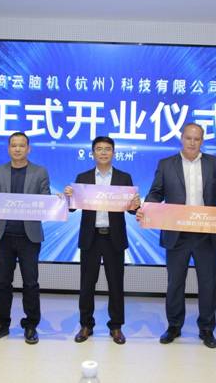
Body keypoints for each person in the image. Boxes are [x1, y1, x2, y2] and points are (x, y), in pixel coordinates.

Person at [137, 123, 216, 349]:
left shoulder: (215, 164)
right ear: (181, 138)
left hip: (206, 234)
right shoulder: (166, 164)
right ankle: (174, 326)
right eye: (188, 138)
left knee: (208, 284)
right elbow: (156, 193)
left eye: (197, 139)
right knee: (175, 283)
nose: (192, 142)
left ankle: (207, 328)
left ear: (202, 140)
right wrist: (147, 209)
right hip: (177, 234)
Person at [64, 136, 140, 345]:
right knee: (87, 284)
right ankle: (86, 325)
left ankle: (116, 326)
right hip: (91, 237)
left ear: (114, 153)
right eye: (99, 149)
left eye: (107, 149)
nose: (103, 152)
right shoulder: (83, 177)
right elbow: (72, 208)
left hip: (114, 238)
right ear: (93, 153)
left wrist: (136, 204)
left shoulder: (124, 178)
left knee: (116, 284)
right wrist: (69, 196)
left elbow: (132, 211)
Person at [0, 132, 50, 345]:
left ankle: (31, 325)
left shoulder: (40, 171)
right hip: (3, 236)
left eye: (22, 145)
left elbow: (45, 201)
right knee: (3, 282)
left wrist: (56, 201)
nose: (18, 149)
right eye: (13, 145)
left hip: (29, 237)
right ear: (8, 148)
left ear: (29, 149)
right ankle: (1, 324)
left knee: (31, 283)